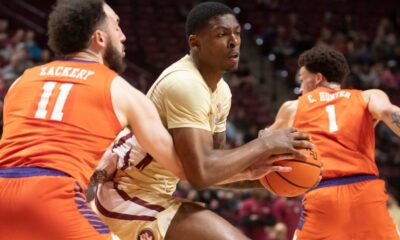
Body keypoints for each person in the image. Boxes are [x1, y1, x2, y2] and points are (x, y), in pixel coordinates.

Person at [93, 2, 313, 240]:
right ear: (195, 43)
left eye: (237, 33)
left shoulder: (222, 92)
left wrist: (258, 175)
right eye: (221, 34)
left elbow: (213, 170)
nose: (234, 41)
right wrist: (265, 144)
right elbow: (201, 173)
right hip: (125, 193)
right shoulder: (185, 83)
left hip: (154, 193)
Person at [0, 0, 187, 239]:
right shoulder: (120, 90)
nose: (124, 36)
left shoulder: (21, 81)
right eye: (117, 25)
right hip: (52, 198)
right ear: (99, 38)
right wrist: (245, 169)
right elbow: (183, 168)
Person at [267, 46, 400, 239]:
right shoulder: (368, 96)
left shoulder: (293, 107)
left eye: (303, 80)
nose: (301, 87)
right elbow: (388, 112)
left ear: (318, 78)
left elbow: (264, 145)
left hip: (324, 196)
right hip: (367, 195)